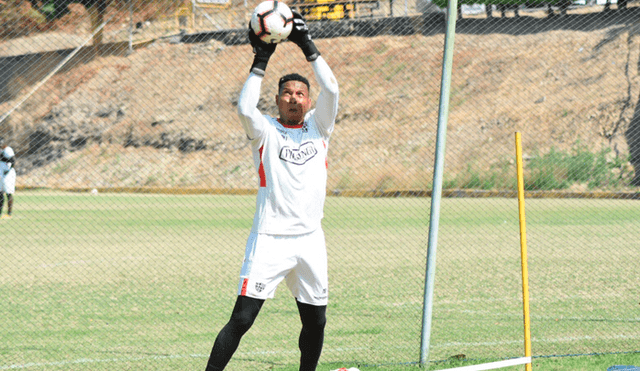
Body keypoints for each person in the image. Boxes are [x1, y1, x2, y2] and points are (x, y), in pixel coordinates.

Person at [204, 11, 339, 371]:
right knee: (243, 318)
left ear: (308, 102)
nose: (294, 98)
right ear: (277, 100)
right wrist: (261, 60)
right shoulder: (264, 131)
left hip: (310, 240)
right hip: (270, 239)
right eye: (287, 93)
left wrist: (305, 44)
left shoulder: (319, 129)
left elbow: (334, 88)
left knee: (316, 322)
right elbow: (245, 107)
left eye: (301, 93)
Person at [0, 143, 16, 219]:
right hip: (1, 174)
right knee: (0, 193)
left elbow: (12, 161)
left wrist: (8, 170)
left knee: (8, 193)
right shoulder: (2, 150)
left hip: (8, 174)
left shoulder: (8, 150)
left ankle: (9, 213)